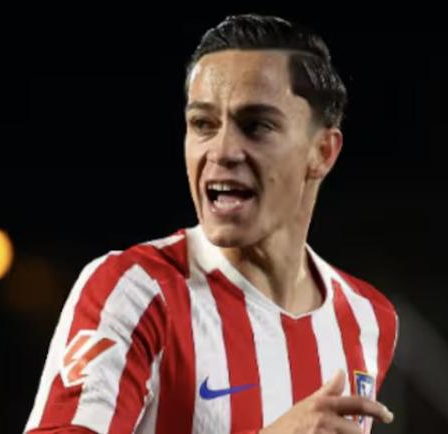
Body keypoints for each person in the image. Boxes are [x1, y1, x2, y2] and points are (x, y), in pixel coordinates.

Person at [24, 13, 398, 434]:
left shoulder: (369, 317)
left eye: (256, 126)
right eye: (203, 124)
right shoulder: (136, 290)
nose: (221, 151)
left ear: (323, 152)